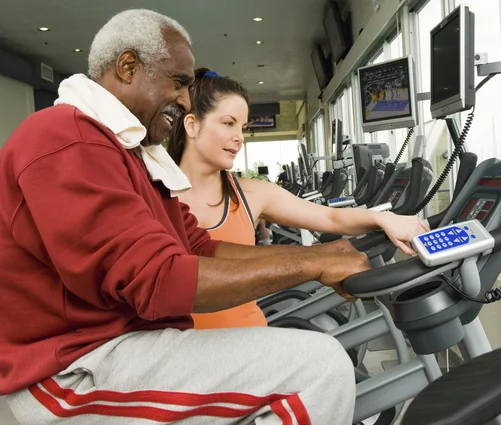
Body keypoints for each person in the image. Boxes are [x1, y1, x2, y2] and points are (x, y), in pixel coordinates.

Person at [0, 9, 382, 425]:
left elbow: (199, 247)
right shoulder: (65, 138)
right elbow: (157, 279)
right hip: (68, 372)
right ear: (128, 67)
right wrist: (314, 263)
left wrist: (323, 257)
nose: (184, 99)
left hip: (123, 348)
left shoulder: (130, 155)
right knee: (320, 368)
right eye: (179, 83)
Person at [167, 68, 429, 330]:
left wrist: (383, 218)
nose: (239, 138)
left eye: (242, 127)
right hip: (182, 353)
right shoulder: (153, 198)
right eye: (228, 123)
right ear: (192, 125)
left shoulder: (251, 194)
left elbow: (330, 216)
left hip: (249, 339)